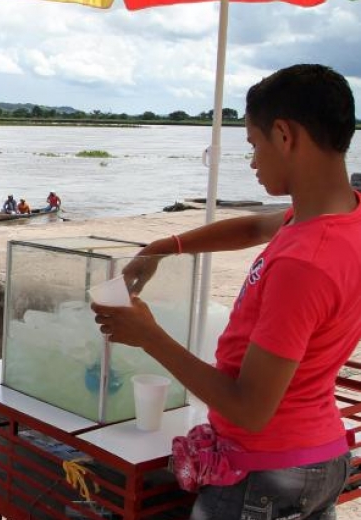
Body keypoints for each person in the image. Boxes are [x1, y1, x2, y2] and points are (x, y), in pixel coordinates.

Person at [91, 64, 358, 519]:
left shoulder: (303, 263)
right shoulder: (339, 218)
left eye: (253, 144)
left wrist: (149, 335)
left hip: (264, 476)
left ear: (284, 135)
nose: (252, 162)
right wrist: (166, 246)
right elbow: (256, 225)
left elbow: (250, 408)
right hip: (319, 455)